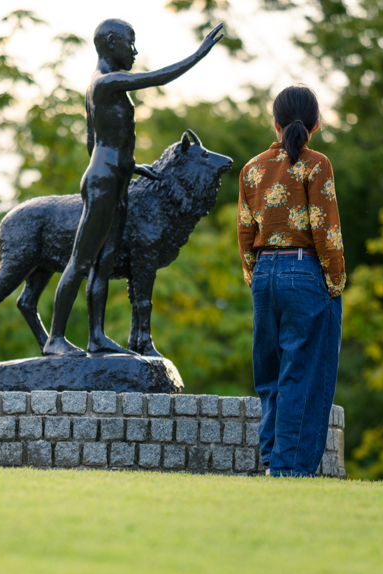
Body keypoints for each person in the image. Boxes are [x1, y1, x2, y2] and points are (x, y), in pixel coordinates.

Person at [42, 18, 224, 357]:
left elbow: (93, 141)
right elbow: (157, 78)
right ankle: (55, 339)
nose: (135, 51)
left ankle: (96, 337)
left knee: (105, 261)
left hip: (116, 180)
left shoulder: (100, 87)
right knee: (81, 261)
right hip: (104, 184)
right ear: (111, 42)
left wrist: (127, 166)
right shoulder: (106, 83)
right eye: (131, 42)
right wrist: (198, 55)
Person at [237, 85, 345, 477]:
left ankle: (272, 459)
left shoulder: (251, 168)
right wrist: (335, 281)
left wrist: (256, 277)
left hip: (264, 275)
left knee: (269, 372)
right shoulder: (317, 165)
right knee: (303, 370)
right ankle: (288, 469)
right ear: (314, 125)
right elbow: (326, 231)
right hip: (305, 271)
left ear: (275, 122)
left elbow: (245, 234)